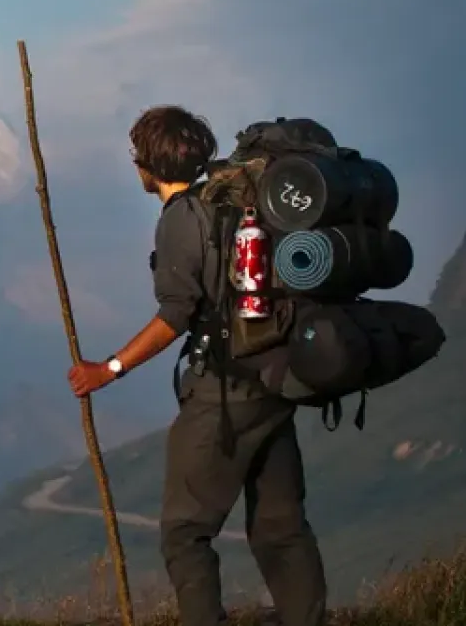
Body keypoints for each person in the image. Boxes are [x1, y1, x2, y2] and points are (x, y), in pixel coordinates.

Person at [65, 105, 328, 626]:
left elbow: (175, 317)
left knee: (185, 531)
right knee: (281, 524)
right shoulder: (236, 197)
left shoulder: (183, 220)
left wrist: (109, 369)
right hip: (277, 376)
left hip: (224, 392)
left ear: (147, 167)